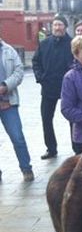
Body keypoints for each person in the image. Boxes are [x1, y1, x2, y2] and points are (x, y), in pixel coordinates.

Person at [32, 14, 73, 160]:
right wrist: (40, 77)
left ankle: (76, 147)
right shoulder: (45, 43)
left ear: (65, 27)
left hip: (68, 88)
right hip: (48, 87)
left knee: (72, 119)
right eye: (55, 25)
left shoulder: (72, 43)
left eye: (60, 25)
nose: (57, 27)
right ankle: (51, 148)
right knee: (46, 118)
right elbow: (36, 62)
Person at [0, 35, 34, 181]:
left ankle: (26, 168)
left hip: (8, 102)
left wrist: (5, 86)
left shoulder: (9, 51)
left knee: (17, 137)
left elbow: (19, 71)